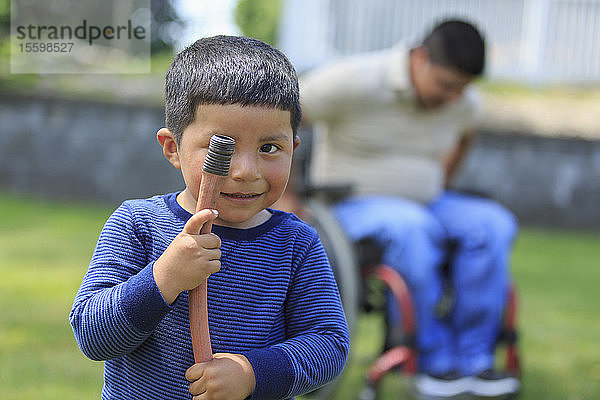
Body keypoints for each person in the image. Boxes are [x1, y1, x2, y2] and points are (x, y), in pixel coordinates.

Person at [69, 35, 349, 400]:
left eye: (269, 148)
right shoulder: (137, 224)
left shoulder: (297, 244)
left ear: (293, 149)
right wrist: (164, 277)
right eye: (223, 147)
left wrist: (252, 374)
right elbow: (93, 337)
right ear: (173, 148)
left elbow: (329, 346)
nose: (247, 171)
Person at [299, 19, 519, 399]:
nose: (455, 97)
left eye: (463, 88)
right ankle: (431, 360)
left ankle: (475, 361)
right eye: (447, 85)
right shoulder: (352, 80)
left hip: (428, 204)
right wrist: (288, 196)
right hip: (348, 205)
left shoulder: (463, 102)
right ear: (420, 58)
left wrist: (441, 181)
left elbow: (466, 132)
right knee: (413, 228)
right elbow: (280, 119)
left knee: (494, 224)